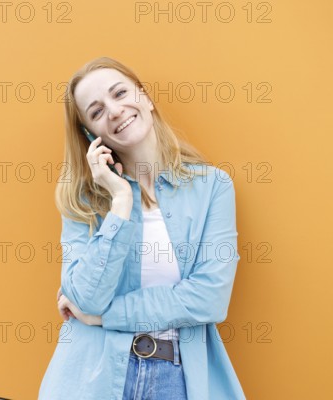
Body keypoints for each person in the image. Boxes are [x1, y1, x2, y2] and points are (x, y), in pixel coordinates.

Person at [38, 57, 245, 400]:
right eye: (97, 111)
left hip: (174, 378)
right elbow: (85, 297)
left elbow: (209, 299)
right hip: (91, 379)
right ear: (92, 134)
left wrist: (105, 317)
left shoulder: (213, 187)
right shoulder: (83, 201)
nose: (115, 111)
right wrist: (120, 201)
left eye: (120, 93)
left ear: (146, 98)